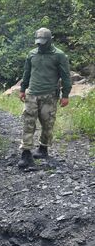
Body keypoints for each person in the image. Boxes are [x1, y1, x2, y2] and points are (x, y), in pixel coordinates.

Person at [17, 27, 71, 168]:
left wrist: (65, 95)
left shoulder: (59, 55)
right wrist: (23, 89)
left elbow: (65, 76)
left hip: (49, 95)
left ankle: (43, 148)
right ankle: (26, 153)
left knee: (47, 124)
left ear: (50, 40)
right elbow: (26, 73)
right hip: (32, 94)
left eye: (43, 42)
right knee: (28, 122)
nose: (40, 44)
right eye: (38, 42)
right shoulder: (32, 54)